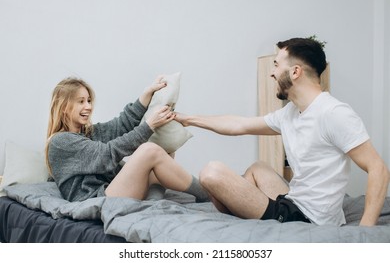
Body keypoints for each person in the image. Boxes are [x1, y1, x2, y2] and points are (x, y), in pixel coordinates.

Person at [174, 37, 390, 226]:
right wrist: (188, 120)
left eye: (276, 65)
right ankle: (247, 216)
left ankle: (248, 216)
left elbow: (378, 169)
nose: (272, 72)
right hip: (294, 202)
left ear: (295, 72)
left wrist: (365, 231)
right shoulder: (291, 112)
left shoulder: (334, 113)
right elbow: (239, 125)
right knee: (258, 168)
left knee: (212, 172)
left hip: (309, 219)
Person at [45, 76, 209, 203]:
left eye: (88, 100)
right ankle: (208, 193)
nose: (88, 106)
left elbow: (121, 125)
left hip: (111, 191)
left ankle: (152, 204)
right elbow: (106, 155)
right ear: (64, 107)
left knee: (165, 150)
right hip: (97, 199)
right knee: (149, 150)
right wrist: (149, 125)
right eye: (81, 102)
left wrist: (147, 94)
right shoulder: (60, 142)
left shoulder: (89, 133)